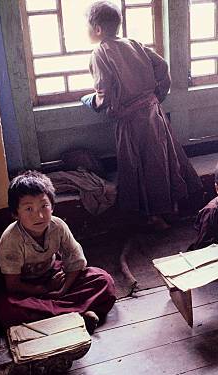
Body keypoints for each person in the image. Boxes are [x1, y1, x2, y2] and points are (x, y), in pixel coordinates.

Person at [85, 1, 201, 230]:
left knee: (141, 168)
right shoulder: (133, 43)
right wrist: (158, 93)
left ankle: (155, 216)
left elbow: (103, 93)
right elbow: (162, 65)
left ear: (97, 29)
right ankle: (173, 207)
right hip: (153, 112)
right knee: (164, 160)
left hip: (131, 122)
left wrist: (91, 102)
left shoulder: (100, 51)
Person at [0, 171, 116, 334]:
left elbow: (75, 260)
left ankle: (58, 316)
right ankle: (78, 314)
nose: (39, 215)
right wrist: (44, 290)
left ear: (52, 206)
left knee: (103, 280)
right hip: (25, 287)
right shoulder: (10, 239)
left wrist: (62, 290)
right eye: (29, 209)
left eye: (44, 206)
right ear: (15, 213)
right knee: (8, 308)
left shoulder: (58, 226)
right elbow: (13, 285)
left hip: (55, 275)